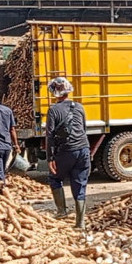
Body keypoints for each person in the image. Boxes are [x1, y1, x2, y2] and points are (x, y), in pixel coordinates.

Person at [45, 77, 91, 229]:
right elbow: (83, 128)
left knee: (55, 178)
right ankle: (80, 223)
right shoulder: (79, 107)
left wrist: (50, 157)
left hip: (66, 151)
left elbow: (50, 135)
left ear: (54, 93)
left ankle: (61, 210)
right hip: (83, 149)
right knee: (80, 183)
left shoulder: (53, 110)